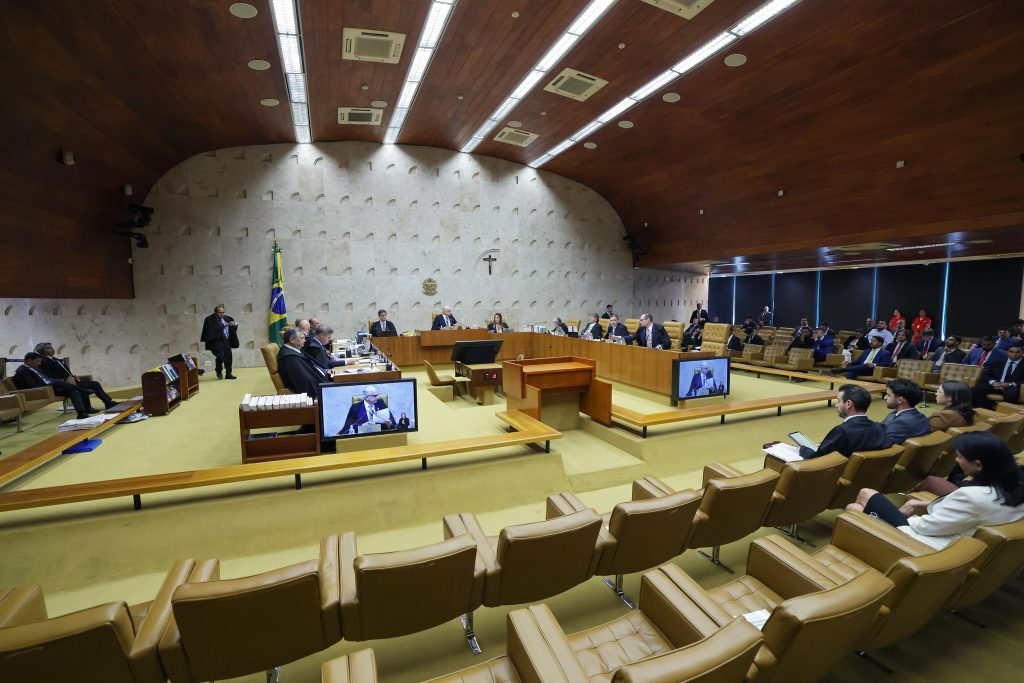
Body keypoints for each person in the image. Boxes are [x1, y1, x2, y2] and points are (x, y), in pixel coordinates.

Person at [846, 432, 1024, 549]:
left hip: (923, 545)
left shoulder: (973, 496)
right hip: (961, 543)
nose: (956, 460)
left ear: (978, 464)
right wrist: (919, 504)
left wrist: (910, 517)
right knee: (864, 498)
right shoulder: (1013, 487)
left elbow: (926, 527)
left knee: (855, 507)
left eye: (960, 457)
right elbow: (968, 513)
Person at [793, 385, 888, 459]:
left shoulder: (841, 431)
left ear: (848, 404)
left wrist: (803, 449)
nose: (836, 405)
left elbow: (817, 459)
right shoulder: (880, 428)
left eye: (838, 401)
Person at [13, 352, 98, 419]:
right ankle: (82, 390)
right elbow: (32, 386)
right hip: (39, 391)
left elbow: (46, 378)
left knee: (73, 391)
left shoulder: (35, 368)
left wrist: (55, 381)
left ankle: (82, 414)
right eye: (37, 361)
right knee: (60, 382)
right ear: (29, 360)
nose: (39, 363)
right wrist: (51, 383)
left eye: (40, 361)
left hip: (49, 387)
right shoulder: (22, 371)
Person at [34, 342, 116, 409]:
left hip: (71, 382)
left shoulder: (55, 359)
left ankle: (107, 403)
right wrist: (65, 380)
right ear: (42, 351)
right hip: (61, 385)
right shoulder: (42, 362)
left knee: (94, 383)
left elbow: (65, 372)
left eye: (51, 347)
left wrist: (74, 377)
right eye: (48, 348)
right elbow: (48, 377)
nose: (52, 349)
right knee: (89, 386)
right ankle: (91, 408)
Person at [276, 328, 328, 397]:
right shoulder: (290, 358)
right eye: (302, 338)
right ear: (292, 340)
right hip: (319, 388)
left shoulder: (294, 351)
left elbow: (311, 366)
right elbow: (306, 380)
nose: (305, 340)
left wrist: (326, 371)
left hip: (322, 378)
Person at [881, 379, 931, 446]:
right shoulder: (921, 416)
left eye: (888, 395)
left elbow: (882, 444)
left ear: (900, 400)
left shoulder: (900, 423)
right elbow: (881, 426)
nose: (885, 397)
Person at [972, 343, 1023, 408]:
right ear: (1007, 352)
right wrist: (993, 382)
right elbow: (986, 374)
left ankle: (1006, 412)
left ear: (1022, 352)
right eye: (1011, 352)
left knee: (1011, 394)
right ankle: (987, 409)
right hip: (996, 385)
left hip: (1012, 387)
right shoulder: (997, 362)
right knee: (975, 390)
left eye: (1017, 352)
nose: (1014, 354)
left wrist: (1010, 384)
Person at [199, 305, 239, 379]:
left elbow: (233, 327)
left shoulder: (227, 318)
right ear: (215, 312)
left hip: (226, 340)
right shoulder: (209, 319)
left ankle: (228, 374)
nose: (222, 314)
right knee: (221, 357)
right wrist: (224, 325)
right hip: (216, 341)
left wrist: (235, 324)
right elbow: (211, 330)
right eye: (220, 313)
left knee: (229, 357)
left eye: (223, 312)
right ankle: (218, 370)